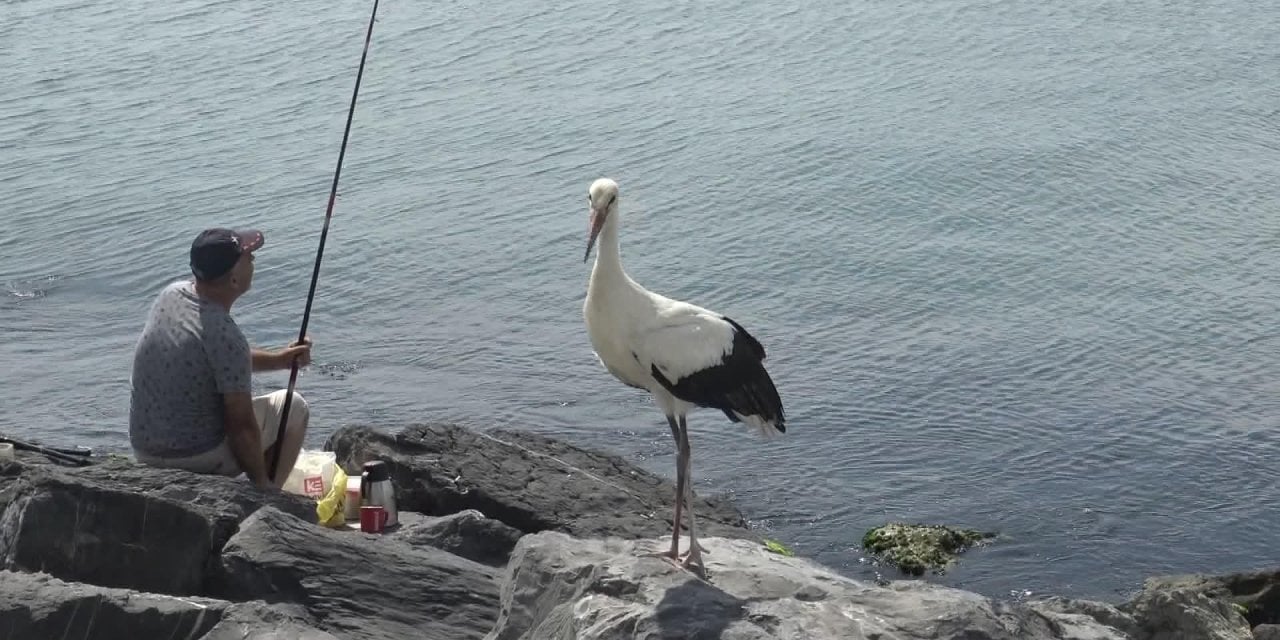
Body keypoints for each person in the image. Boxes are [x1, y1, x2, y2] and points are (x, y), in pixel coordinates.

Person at [128, 227, 312, 489]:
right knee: (293, 407)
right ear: (234, 280)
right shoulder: (226, 335)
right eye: (248, 257)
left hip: (145, 450)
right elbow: (241, 427)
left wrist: (280, 360)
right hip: (195, 459)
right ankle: (269, 496)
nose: (253, 261)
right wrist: (260, 484)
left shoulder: (170, 295)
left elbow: (215, 360)